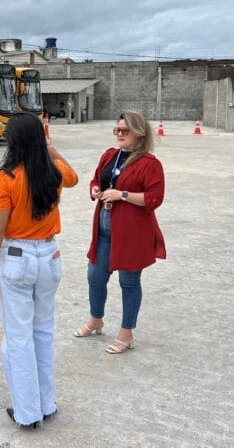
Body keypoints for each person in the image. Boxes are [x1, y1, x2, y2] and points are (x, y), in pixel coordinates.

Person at [0, 113, 78, 428]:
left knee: (19, 337)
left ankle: (27, 412)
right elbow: (74, 177)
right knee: (43, 331)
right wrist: (50, 148)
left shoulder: (7, 177)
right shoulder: (54, 172)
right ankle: (46, 404)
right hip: (49, 255)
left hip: (18, 257)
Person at [74, 111, 166, 354]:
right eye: (117, 130)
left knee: (129, 281)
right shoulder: (109, 156)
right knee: (95, 275)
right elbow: (97, 179)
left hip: (132, 232)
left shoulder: (149, 164)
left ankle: (126, 333)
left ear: (139, 133)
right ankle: (96, 319)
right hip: (104, 227)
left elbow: (154, 198)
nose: (119, 134)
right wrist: (95, 189)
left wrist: (122, 195)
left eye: (124, 131)